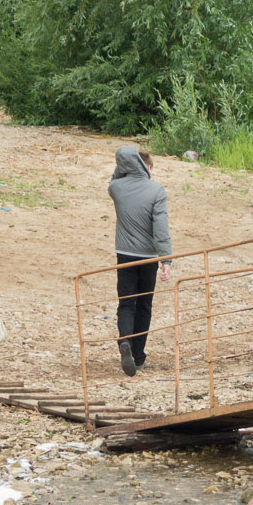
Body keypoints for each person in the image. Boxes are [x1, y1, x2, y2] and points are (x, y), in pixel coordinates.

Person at [107, 145, 171, 376]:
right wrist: (166, 260)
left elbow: (115, 178)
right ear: (145, 166)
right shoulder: (156, 191)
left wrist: (123, 166)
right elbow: (160, 228)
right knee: (144, 305)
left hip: (124, 254)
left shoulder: (116, 188)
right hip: (148, 257)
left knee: (126, 303)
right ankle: (138, 355)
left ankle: (124, 340)